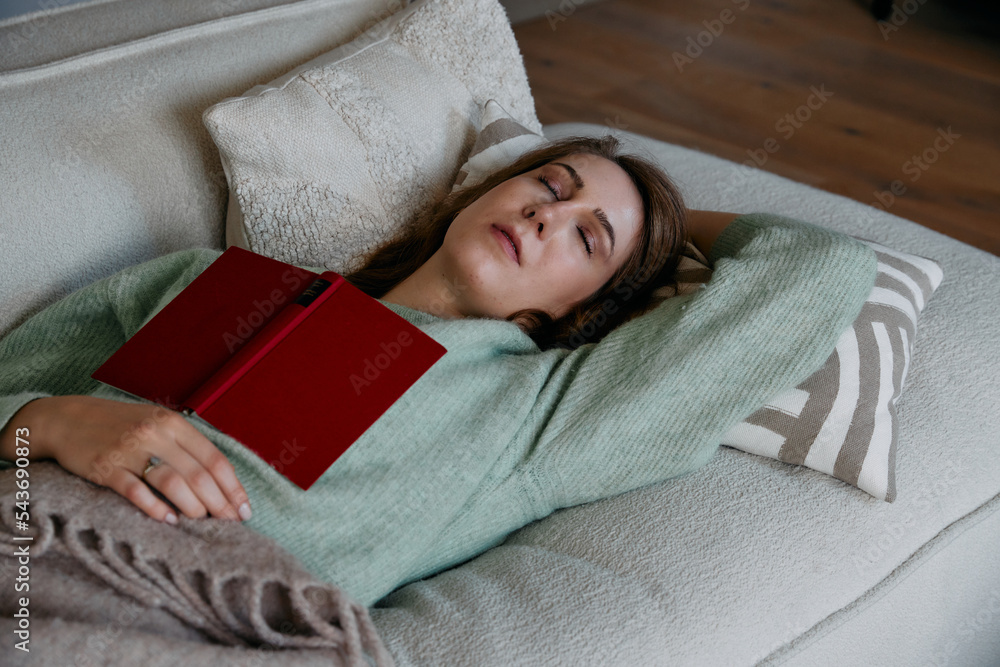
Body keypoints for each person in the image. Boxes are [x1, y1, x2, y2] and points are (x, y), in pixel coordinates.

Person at [0, 135, 877, 607]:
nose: (549, 210)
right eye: (553, 181)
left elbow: (819, 269)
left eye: (587, 236)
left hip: (154, 609)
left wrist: (666, 225)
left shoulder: (534, 415)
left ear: (587, 309)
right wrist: (47, 419)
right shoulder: (214, 280)